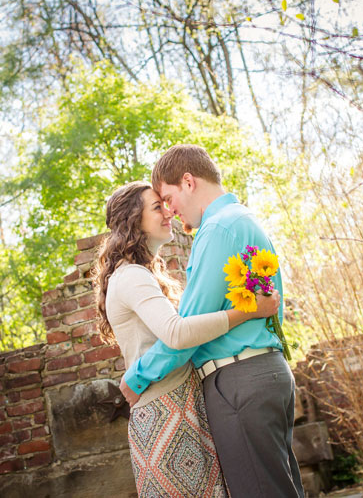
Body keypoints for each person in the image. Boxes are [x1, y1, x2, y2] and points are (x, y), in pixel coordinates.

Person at [120, 145, 305, 498]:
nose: (170, 210)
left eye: (168, 197)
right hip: (263, 374)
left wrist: (139, 375)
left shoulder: (218, 228)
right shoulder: (242, 219)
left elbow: (188, 328)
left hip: (240, 381)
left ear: (188, 182)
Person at [93, 180, 280, 498]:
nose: (168, 212)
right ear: (132, 219)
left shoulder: (139, 274)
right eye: (157, 206)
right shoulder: (132, 276)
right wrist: (248, 311)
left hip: (181, 406)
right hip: (164, 410)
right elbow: (177, 334)